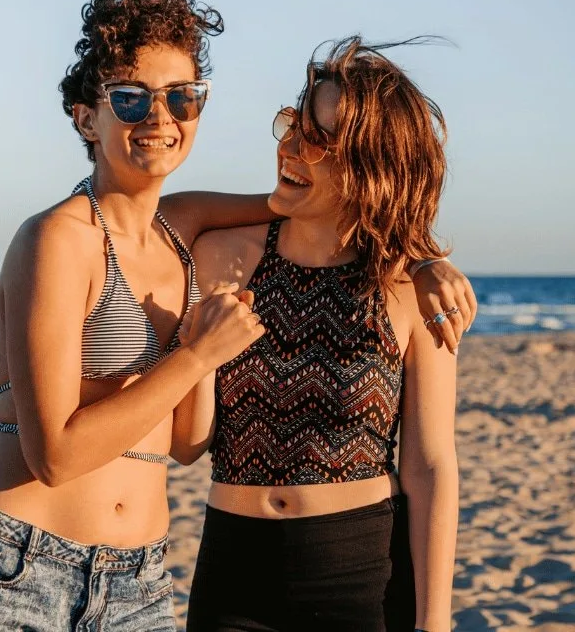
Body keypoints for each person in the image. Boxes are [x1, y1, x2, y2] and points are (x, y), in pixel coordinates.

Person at [0, 0, 473, 632]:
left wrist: (420, 255)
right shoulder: (67, 238)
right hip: (19, 560)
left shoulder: (183, 233)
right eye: (129, 99)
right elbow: (65, 456)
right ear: (85, 116)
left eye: (182, 97)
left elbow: (298, 205)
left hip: (139, 582)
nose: (159, 117)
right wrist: (197, 352)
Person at [181, 38, 460, 632]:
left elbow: (430, 465)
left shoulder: (410, 290)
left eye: (318, 140)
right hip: (232, 569)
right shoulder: (220, 257)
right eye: (293, 125)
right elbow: (191, 444)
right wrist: (199, 350)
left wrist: (435, 624)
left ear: (373, 165)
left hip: (359, 575)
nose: (290, 148)